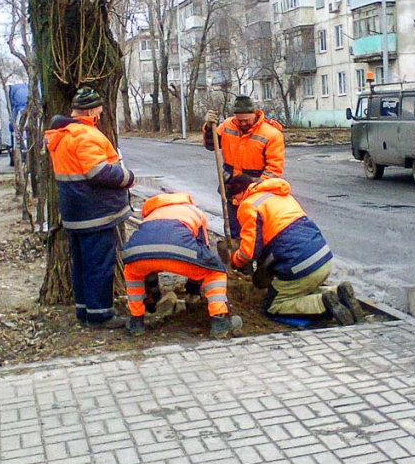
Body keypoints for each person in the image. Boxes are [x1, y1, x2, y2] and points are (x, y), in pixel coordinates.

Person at [45, 86, 134, 329]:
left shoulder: (61, 135)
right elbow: (98, 172)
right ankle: (100, 315)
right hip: (96, 212)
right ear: (93, 111)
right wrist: (127, 177)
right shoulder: (85, 135)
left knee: (83, 264)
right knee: (99, 265)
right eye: (100, 110)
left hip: (75, 213)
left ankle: (84, 310)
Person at [221, 174, 365, 325]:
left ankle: (322, 303)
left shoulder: (249, 205)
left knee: (274, 304)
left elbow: (249, 252)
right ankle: (338, 293)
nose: (235, 203)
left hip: (300, 266)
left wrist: (234, 261)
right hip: (323, 259)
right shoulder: (278, 194)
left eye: (235, 199)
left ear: (240, 192)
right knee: (300, 291)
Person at [120, 192, 241, 339]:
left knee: (135, 272)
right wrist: (194, 289)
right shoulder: (194, 212)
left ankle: (137, 321)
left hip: (135, 254)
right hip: (180, 250)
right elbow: (203, 250)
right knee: (214, 271)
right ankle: (219, 321)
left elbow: (153, 248)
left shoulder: (151, 215)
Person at [203, 95, 284, 238]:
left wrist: (254, 188)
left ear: (255, 113)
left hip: (255, 193)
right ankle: (235, 255)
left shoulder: (272, 134)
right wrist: (209, 128)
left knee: (254, 231)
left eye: (247, 120)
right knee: (233, 229)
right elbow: (211, 145)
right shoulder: (228, 125)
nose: (244, 123)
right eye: (240, 120)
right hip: (230, 188)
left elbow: (274, 170)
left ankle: (253, 258)